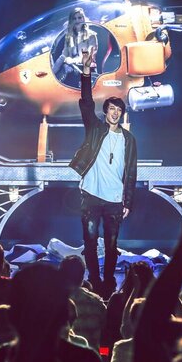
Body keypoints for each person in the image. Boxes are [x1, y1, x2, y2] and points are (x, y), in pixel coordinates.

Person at [68, 47, 137, 296]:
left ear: (122, 114)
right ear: (106, 112)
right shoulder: (96, 130)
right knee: (90, 241)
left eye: (119, 109)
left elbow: (131, 172)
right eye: (111, 109)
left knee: (111, 244)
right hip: (92, 195)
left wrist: (128, 200)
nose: (115, 112)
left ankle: (108, 281)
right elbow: (86, 104)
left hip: (115, 199)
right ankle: (95, 280)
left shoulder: (129, 140)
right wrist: (86, 71)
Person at [53, 7, 98, 85]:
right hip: (71, 67)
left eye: (79, 18)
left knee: (68, 70)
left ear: (83, 19)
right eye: (74, 18)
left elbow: (89, 58)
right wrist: (53, 71)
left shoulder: (91, 35)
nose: (77, 20)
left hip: (86, 69)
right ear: (71, 20)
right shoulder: (69, 35)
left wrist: (72, 61)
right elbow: (64, 55)